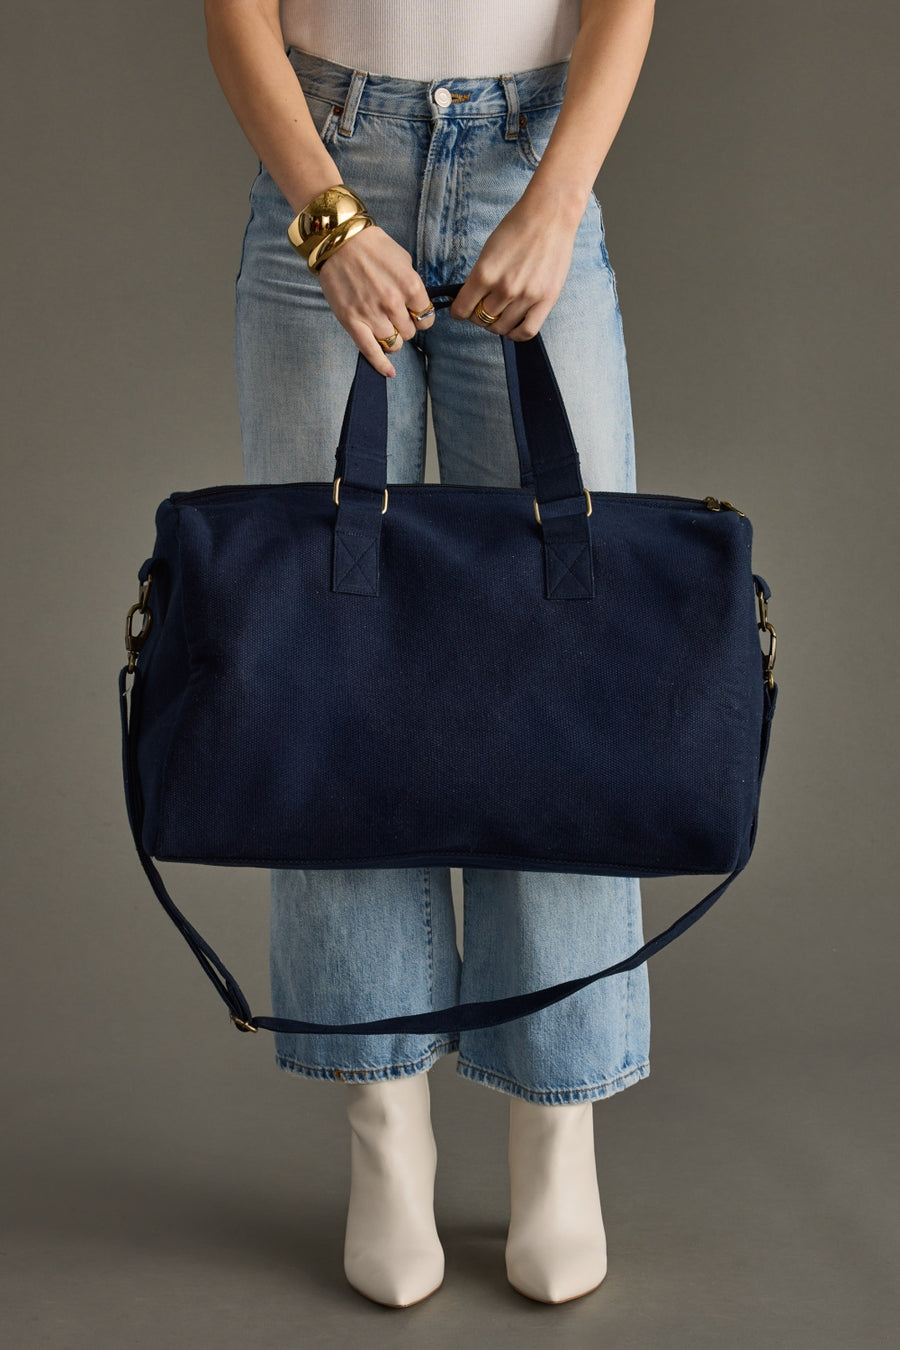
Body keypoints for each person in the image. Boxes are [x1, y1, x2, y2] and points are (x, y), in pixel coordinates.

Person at [204, 0, 656, 1309]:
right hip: (326, 166)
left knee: (564, 679)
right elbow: (235, 14)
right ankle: (385, 1134)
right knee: (332, 674)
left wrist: (559, 201)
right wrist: (331, 221)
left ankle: (557, 1124)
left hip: (533, 161)